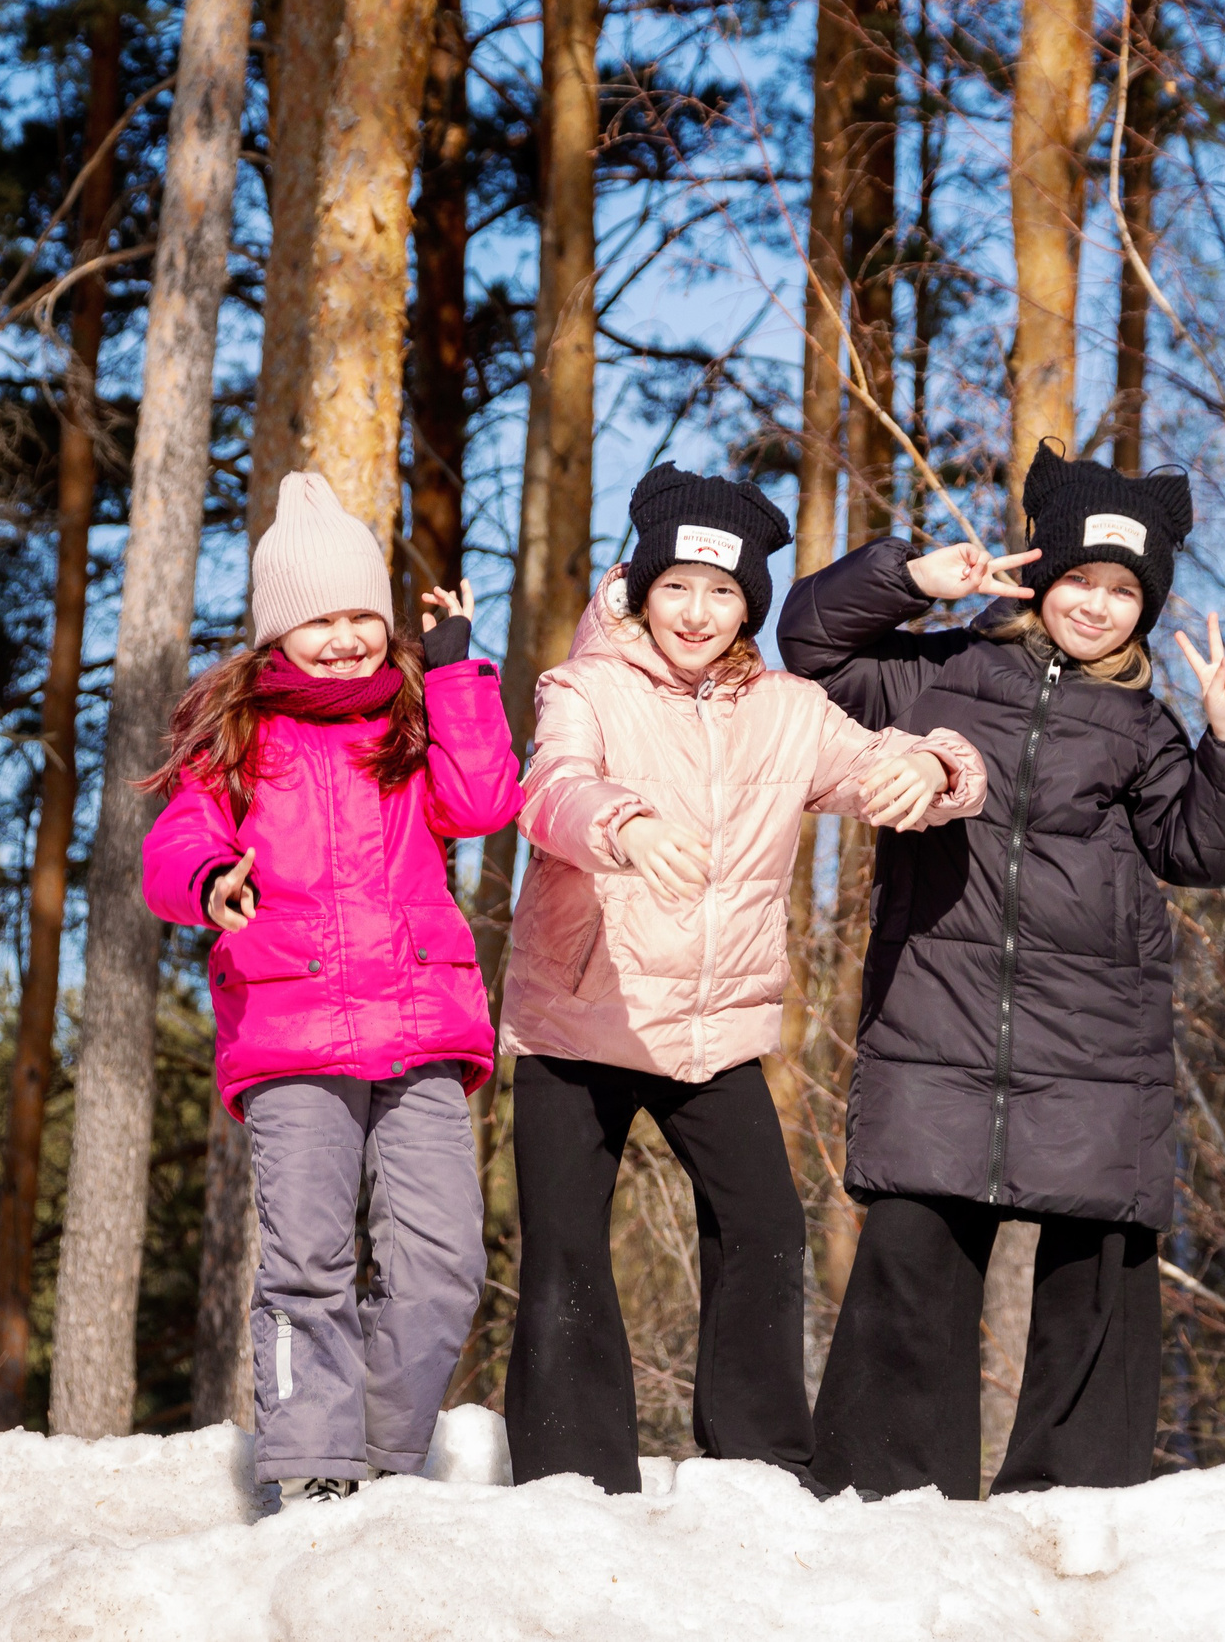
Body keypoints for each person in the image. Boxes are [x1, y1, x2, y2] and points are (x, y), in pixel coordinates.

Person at [777, 443, 1225, 1500]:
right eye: (1081, 579)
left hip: (1095, 1032)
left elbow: (1200, 852)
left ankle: (1074, 1504)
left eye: (1122, 591)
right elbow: (812, 647)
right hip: (936, 1014)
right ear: (1041, 576)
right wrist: (909, 581)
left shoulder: (1145, 727)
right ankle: (887, 1495)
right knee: (914, 1242)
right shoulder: (939, 670)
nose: (1097, 606)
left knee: (1099, 1262)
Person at [498, 462, 989, 1494]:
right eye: (677, 586)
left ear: (747, 608)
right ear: (637, 587)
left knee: (763, 1223)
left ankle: (758, 1460)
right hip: (583, 1016)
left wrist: (934, 768)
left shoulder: (788, 710)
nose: (697, 611)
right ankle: (569, 1477)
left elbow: (882, 768)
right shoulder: (581, 688)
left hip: (709, 1028)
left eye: (723, 593)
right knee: (565, 1249)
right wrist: (620, 825)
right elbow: (550, 791)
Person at [138, 474, 523, 1508]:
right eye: (320, 620)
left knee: (445, 1268)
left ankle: (384, 1465)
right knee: (308, 1262)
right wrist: (209, 880)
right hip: (289, 1026)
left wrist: (455, 674)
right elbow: (175, 843)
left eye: (363, 615)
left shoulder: (412, 717)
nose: (346, 637)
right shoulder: (239, 737)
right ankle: (315, 1471)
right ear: (275, 633)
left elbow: (485, 802)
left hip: (420, 1022)